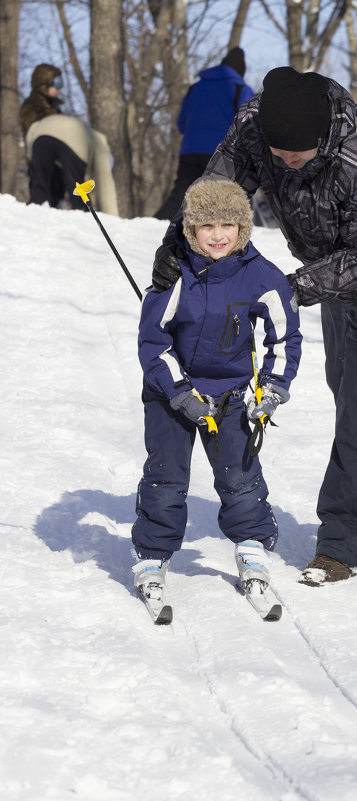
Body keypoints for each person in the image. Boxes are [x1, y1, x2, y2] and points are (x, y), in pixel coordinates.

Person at [151, 66, 357, 587]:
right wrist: (177, 246)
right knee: (348, 380)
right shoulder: (252, 126)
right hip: (327, 256)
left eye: (299, 154)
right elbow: (215, 193)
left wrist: (287, 290)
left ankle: (342, 539)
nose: (287, 163)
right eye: (279, 154)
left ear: (324, 136)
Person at [131, 177, 302, 605]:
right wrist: (178, 391)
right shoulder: (174, 274)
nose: (218, 235)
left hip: (230, 395)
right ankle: (153, 555)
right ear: (191, 230)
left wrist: (274, 387)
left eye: (228, 224)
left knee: (240, 477)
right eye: (207, 227)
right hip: (172, 393)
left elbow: (283, 338)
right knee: (166, 477)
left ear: (243, 227)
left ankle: (251, 547)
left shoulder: (262, 276)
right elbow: (154, 342)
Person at [153, 47, 255, 221]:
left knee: (182, 195)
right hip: (222, 154)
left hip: (190, 151)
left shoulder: (195, 88)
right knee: (224, 201)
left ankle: (153, 225)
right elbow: (249, 127)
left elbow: (181, 124)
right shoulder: (240, 89)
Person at [20, 63, 118, 214]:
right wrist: (112, 215)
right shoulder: (33, 105)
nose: (60, 88)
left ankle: (38, 209)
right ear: (43, 84)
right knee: (76, 184)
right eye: (56, 83)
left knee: (42, 184)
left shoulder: (51, 106)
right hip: (66, 141)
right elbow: (105, 183)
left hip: (42, 142)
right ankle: (84, 213)